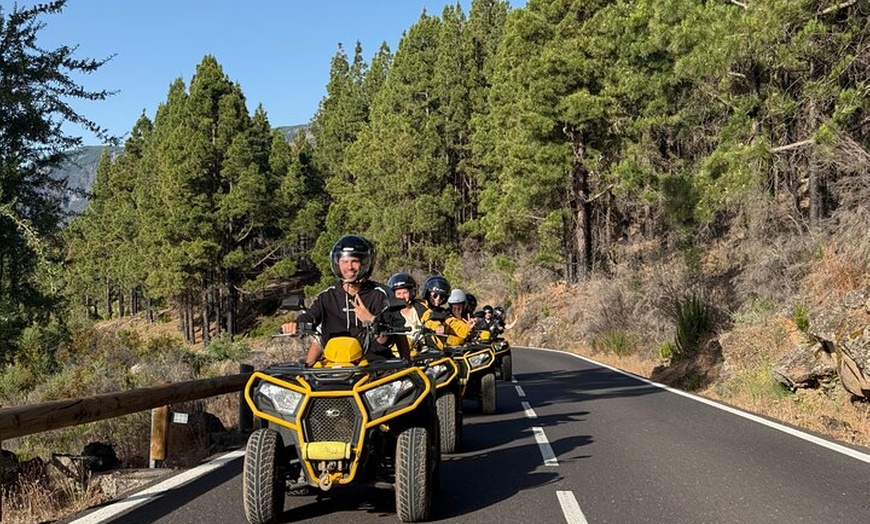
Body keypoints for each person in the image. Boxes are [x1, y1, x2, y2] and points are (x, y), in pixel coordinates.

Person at [281, 235, 411, 366]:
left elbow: (393, 336)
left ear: (365, 263)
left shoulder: (381, 294)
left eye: (354, 261)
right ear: (337, 263)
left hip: (375, 366)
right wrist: (295, 325)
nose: (349, 267)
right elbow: (310, 316)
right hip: (333, 365)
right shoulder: (327, 296)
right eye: (344, 261)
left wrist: (372, 320)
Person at [420, 276, 473, 347]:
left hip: (434, 351)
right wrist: (436, 327)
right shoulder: (419, 306)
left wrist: (468, 328)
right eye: (435, 295)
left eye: (442, 297)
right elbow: (427, 319)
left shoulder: (442, 313)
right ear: (427, 293)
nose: (438, 299)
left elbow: (454, 324)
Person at [387, 271, 428, 344]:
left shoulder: (421, 307)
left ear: (412, 292)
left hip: (425, 349)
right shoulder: (390, 313)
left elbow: (431, 321)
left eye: (405, 293)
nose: (402, 297)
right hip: (401, 350)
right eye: (399, 293)